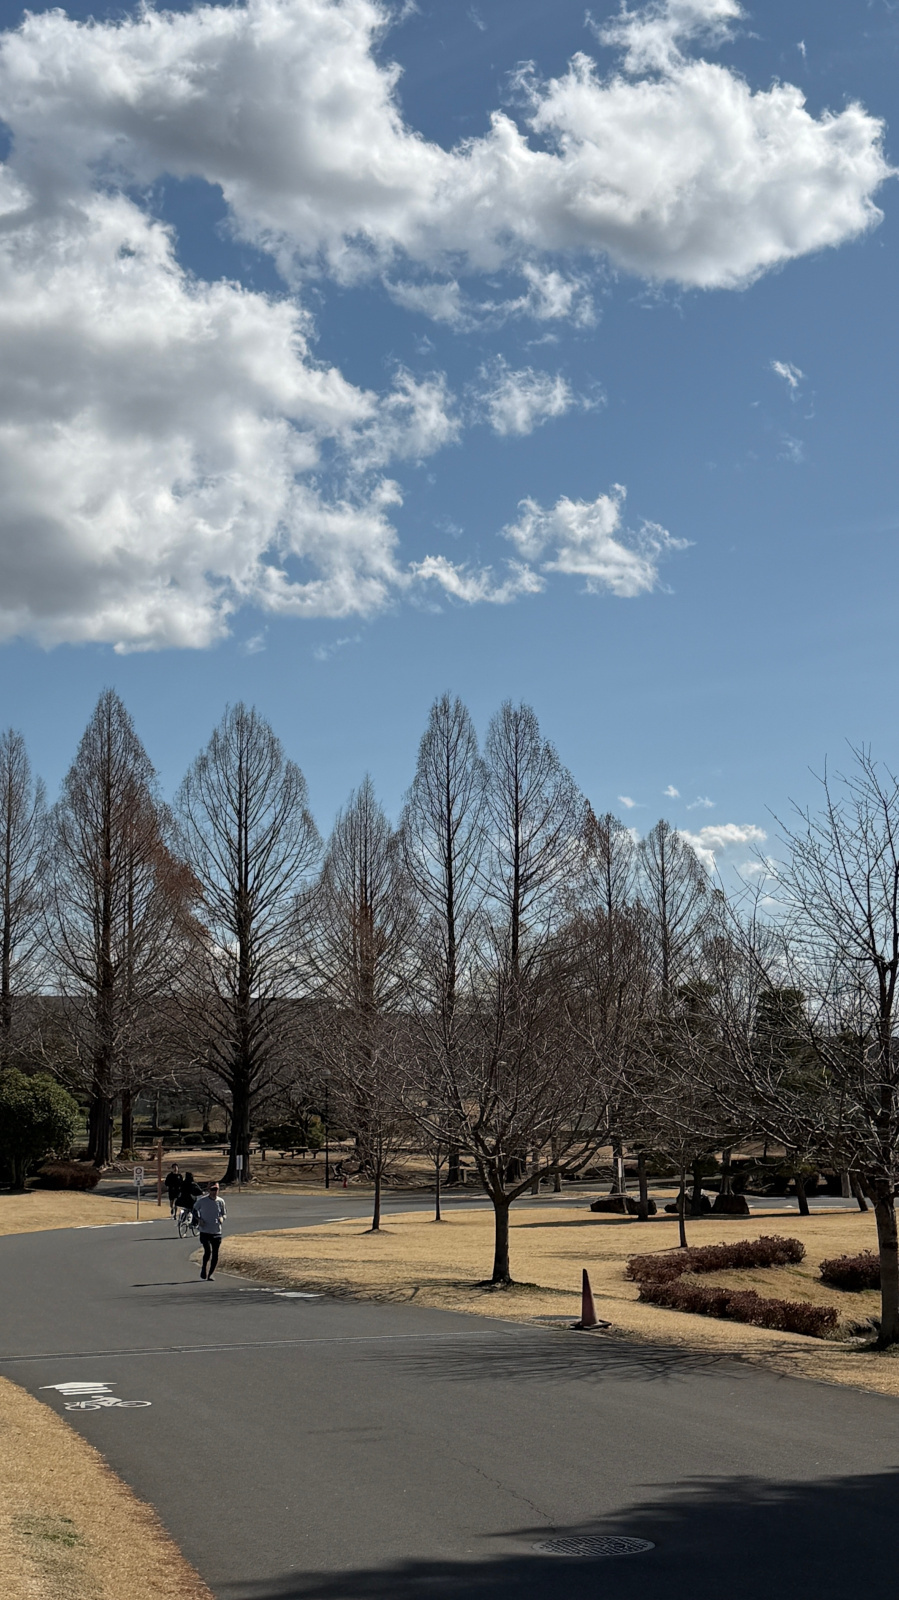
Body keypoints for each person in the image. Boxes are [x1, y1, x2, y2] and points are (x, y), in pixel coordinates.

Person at [193, 1183, 227, 1281]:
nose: (214, 1192)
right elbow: (194, 1210)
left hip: (216, 1231)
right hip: (205, 1231)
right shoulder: (202, 1201)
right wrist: (199, 1220)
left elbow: (224, 1214)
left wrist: (222, 1218)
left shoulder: (221, 1201)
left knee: (215, 1253)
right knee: (207, 1251)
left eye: (216, 1189)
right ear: (208, 1190)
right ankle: (204, 1268)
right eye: (212, 1189)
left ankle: (211, 1274)